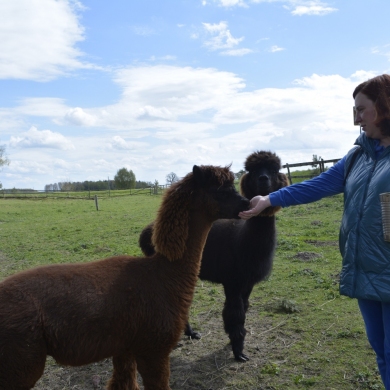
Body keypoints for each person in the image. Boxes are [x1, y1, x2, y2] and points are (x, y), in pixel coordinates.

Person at [239, 74, 390, 389]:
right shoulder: (357, 157)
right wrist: (269, 198)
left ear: (384, 106)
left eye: (361, 109)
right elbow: (317, 186)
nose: (356, 119)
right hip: (367, 269)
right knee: (382, 353)